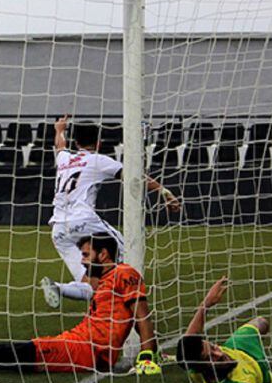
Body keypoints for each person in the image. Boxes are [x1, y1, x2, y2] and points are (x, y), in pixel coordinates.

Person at [0, 234, 163, 376]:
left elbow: (141, 316)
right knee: (0, 352)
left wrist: (147, 355)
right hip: (76, 343)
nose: (82, 260)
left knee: (5, 356)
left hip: (88, 352)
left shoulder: (124, 273)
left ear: (104, 255)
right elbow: (125, 318)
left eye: (86, 255)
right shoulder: (106, 280)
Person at [40, 116, 182, 309]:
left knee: (91, 284)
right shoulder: (98, 160)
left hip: (58, 230)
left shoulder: (64, 158)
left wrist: (59, 130)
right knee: (130, 253)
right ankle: (136, 307)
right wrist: (165, 192)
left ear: (76, 143)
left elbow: (60, 146)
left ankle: (58, 287)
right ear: (98, 143)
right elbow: (134, 178)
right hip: (84, 221)